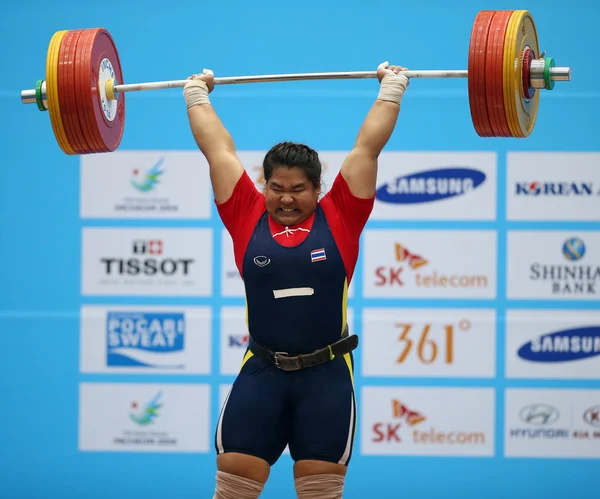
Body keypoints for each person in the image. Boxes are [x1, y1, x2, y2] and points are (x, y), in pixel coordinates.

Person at [183, 61, 410, 499]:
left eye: (298, 189)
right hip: (262, 373)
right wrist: (197, 95)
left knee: (320, 492)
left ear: (318, 188)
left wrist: (392, 89)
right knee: (232, 487)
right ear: (263, 185)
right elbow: (218, 150)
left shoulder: (342, 213)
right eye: (276, 187)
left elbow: (367, 149)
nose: (286, 197)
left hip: (326, 377)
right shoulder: (245, 213)